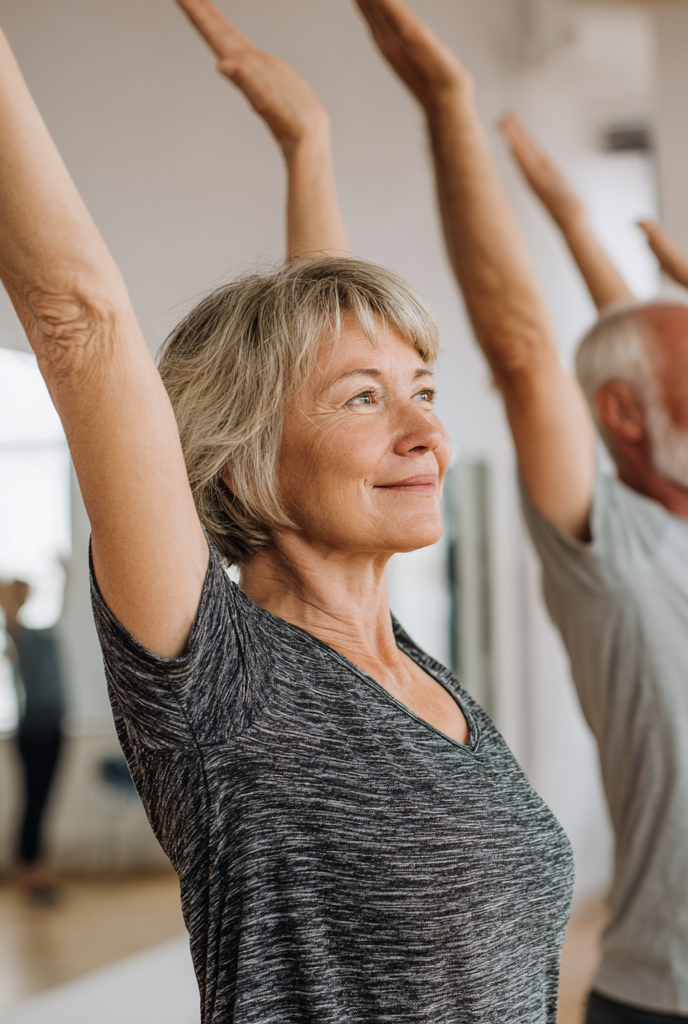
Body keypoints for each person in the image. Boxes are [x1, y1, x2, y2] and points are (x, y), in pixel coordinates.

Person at [0, 2, 574, 1020]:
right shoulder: (221, 680)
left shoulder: (397, 662)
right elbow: (78, 317)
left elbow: (316, 370)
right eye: (368, 398)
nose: (425, 433)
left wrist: (308, 148)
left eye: (425, 392)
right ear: (240, 461)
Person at [355, 5, 688, 1022]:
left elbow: (644, 358)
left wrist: (599, 240)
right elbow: (526, 354)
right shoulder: (617, 551)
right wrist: (450, 103)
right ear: (622, 417)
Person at [1, 578, 66, 904]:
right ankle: (30, 875)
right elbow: (10, 611)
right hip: (35, 732)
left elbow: (63, 609)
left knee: (43, 803)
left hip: (53, 728)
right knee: (34, 804)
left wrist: (65, 575)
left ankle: (36, 869)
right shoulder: (18, 635)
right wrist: (7, 591)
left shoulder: (43, 632)